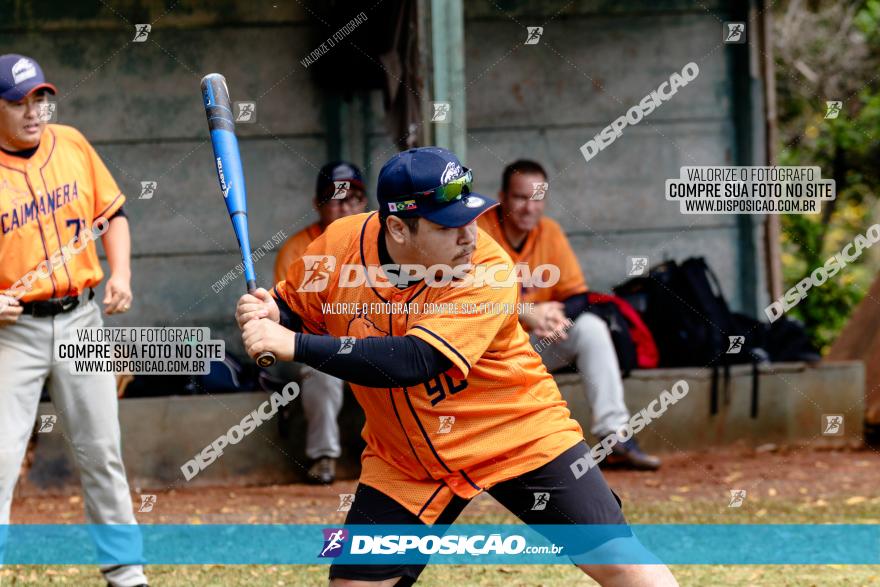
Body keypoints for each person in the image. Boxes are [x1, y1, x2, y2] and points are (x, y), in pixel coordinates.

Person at [236, 147, 678, 586]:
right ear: (397, 228)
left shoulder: (486, 268)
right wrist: (271, 313)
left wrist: (292, 343)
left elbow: (417, 360)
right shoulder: (338, 248)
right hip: (407, 458)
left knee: (619, 562)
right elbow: (293, 305)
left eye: (469, 216)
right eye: (448, 225)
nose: (469, 234)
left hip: (516, 434)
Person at [0, 54, 147, 587]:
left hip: (82, 318)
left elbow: (113, 216)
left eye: (39, 98)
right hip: (11, 333)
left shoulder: (73, 143)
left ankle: (126, 574)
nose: (33, 111)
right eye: (18, 102)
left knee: (102, 451)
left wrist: (121, 273)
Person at [478, 159, 661, 470]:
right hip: (490, 347)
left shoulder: (549, 232)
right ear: (503, 197)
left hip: (535, 341)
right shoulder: (481, 231)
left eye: (538, 198)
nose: (529, 208)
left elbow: (578, 295)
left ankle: (614, 435)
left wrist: (550, 316)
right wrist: (525, 313)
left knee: (590, 327)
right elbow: (473, 302)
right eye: (521, 197)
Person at [273, 161, 368, 484]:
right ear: (318, 204)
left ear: (364, 203)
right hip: (318, 343)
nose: (344, 207)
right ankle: (324, 458)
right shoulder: (299, 249)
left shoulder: (381, 241)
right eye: (335, 198)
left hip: (373, 339)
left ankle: (404, 458)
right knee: (322, 369)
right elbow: (286, 317)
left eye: (352, 198)